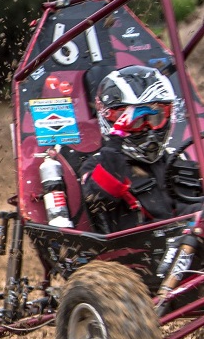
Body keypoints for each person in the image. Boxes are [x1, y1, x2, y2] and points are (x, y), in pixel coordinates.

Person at [80, 65, 196, 233]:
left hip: (187, 246)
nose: (147, 128)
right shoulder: (97, 165)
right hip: (135, 253)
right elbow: (99, 198)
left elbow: (190, 206)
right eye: (137, 121)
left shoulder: (177, 158)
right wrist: (116, 140)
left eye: (156, 117)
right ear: (113, 121)